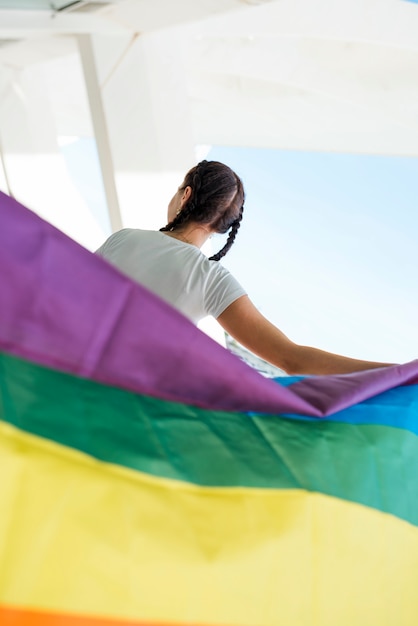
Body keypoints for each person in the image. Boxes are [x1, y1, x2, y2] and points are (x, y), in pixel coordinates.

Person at [96, 160, 392, 375]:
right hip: (129, 402)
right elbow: (293, 359)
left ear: (185, 195)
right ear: (223, 226)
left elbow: (65, 293)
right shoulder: (212, 280)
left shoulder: (124, 240)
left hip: (73, 372)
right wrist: (399, 374)